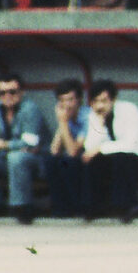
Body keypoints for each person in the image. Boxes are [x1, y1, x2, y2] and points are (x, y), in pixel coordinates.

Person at [82, 80, 138, 221]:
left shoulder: (129, 110)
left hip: (137, 160)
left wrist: (100, 148)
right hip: (114, 161)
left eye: (104, 101)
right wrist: (99, 123)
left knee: (121, 159)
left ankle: (126, 207)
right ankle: (95, 207)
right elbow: (89, 148)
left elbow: (130, 145)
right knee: (93, 161)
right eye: (96, 101)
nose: (100, 106)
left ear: (113, 99)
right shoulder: (95, 115)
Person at [0, 74, 49, 224]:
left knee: (17, 158)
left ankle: (22, 207)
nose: (7, 96)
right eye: (2, 93)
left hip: (37, 160)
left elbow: (30, 143)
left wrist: (4, 145)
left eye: (12, 92)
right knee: (12, 157)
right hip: (5, 159)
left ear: (21, 92)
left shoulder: (30, 109)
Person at [45, 78, 91, 217]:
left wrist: (63, 122)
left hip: (91, 159)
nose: (67, 105)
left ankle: (77, 207)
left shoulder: (87, 116)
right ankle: (60, 209)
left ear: (79, 100)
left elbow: (73, 152)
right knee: (51, 161)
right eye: (62, 101)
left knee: (68, 162)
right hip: (75, 160)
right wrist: (62, 122)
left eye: (70, 100)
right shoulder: (66, 117)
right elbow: (54, 150)